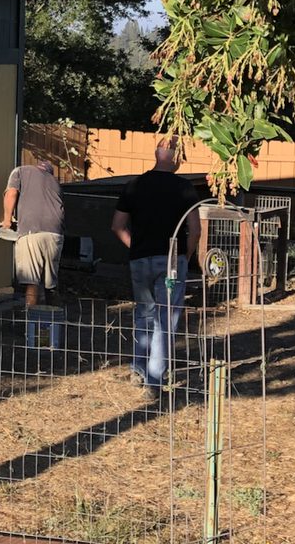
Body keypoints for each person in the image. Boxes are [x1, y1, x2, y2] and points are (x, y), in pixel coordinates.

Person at [111, 136, 200, 401]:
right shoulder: (185, 188)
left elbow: (117, 225)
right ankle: (154, 378)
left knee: (144, 314)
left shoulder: (134, 185)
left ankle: (138, 368)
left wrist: (135, 248)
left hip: (140, 260)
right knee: (166, 320)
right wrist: (185, 256)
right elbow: (195, 229)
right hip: (172, 261)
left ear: (156, 154)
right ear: (175, 157)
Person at [1, 160, 64, 307]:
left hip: (32, 230)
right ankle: (53, 323)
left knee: (32, 281)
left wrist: (7, 220)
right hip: (56, 233)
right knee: (51, 284)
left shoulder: (20, 171)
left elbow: (11, 193)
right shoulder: (54, 181)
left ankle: (31, 323)